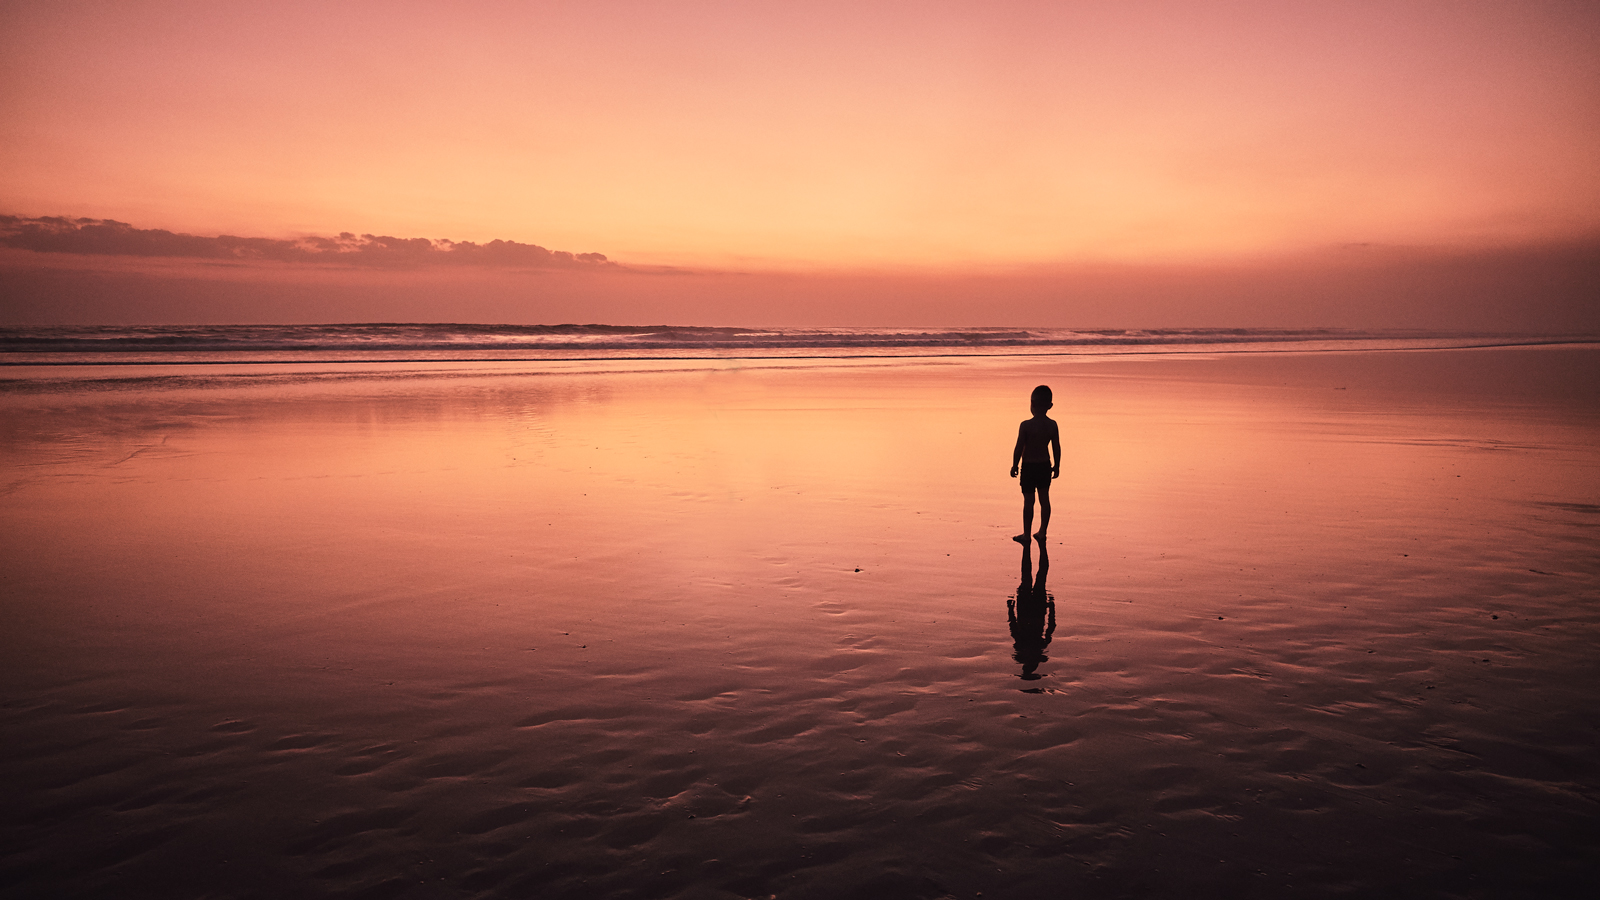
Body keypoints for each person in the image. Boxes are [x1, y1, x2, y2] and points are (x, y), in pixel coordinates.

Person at [1009, 384, 1060, 544]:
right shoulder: (1052, 425)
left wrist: (1014, 465)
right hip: (1044, 466)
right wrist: (1057, 465)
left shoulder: (1026, 425)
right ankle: (1042, 532)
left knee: (1029, 501)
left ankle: (1026, 534)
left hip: (1029, 467)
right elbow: (1056, 447)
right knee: (1044, 499)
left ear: (1032, 404)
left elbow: (1019, 447)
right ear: (1050, 406)